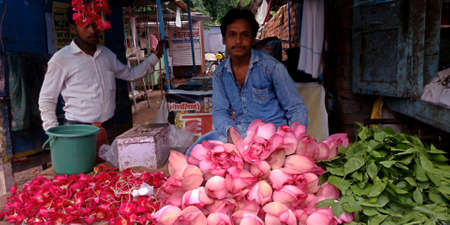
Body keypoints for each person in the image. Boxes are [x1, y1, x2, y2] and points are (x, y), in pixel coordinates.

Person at [186, 8, 308, 155]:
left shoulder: (272, 68)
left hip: (273, 138)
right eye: (232, 35)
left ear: (252, 39)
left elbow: (296, 108)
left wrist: (293, 142)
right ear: (224, 39)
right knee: (193, 153)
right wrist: (230, 132)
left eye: (245, 35)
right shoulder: (220, 74)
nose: (238, 41)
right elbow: (220, 111)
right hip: (239, 137)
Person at [38, 8, 164, 133]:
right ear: (73, 28)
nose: (92, 30)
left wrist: (155, 57)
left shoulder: (106, 54)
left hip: (109, 126)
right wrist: (53, 133)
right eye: (86, 26)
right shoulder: (61, 59)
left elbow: (130, 74)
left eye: (95, 25)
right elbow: (47, 99)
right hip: (79, 131)